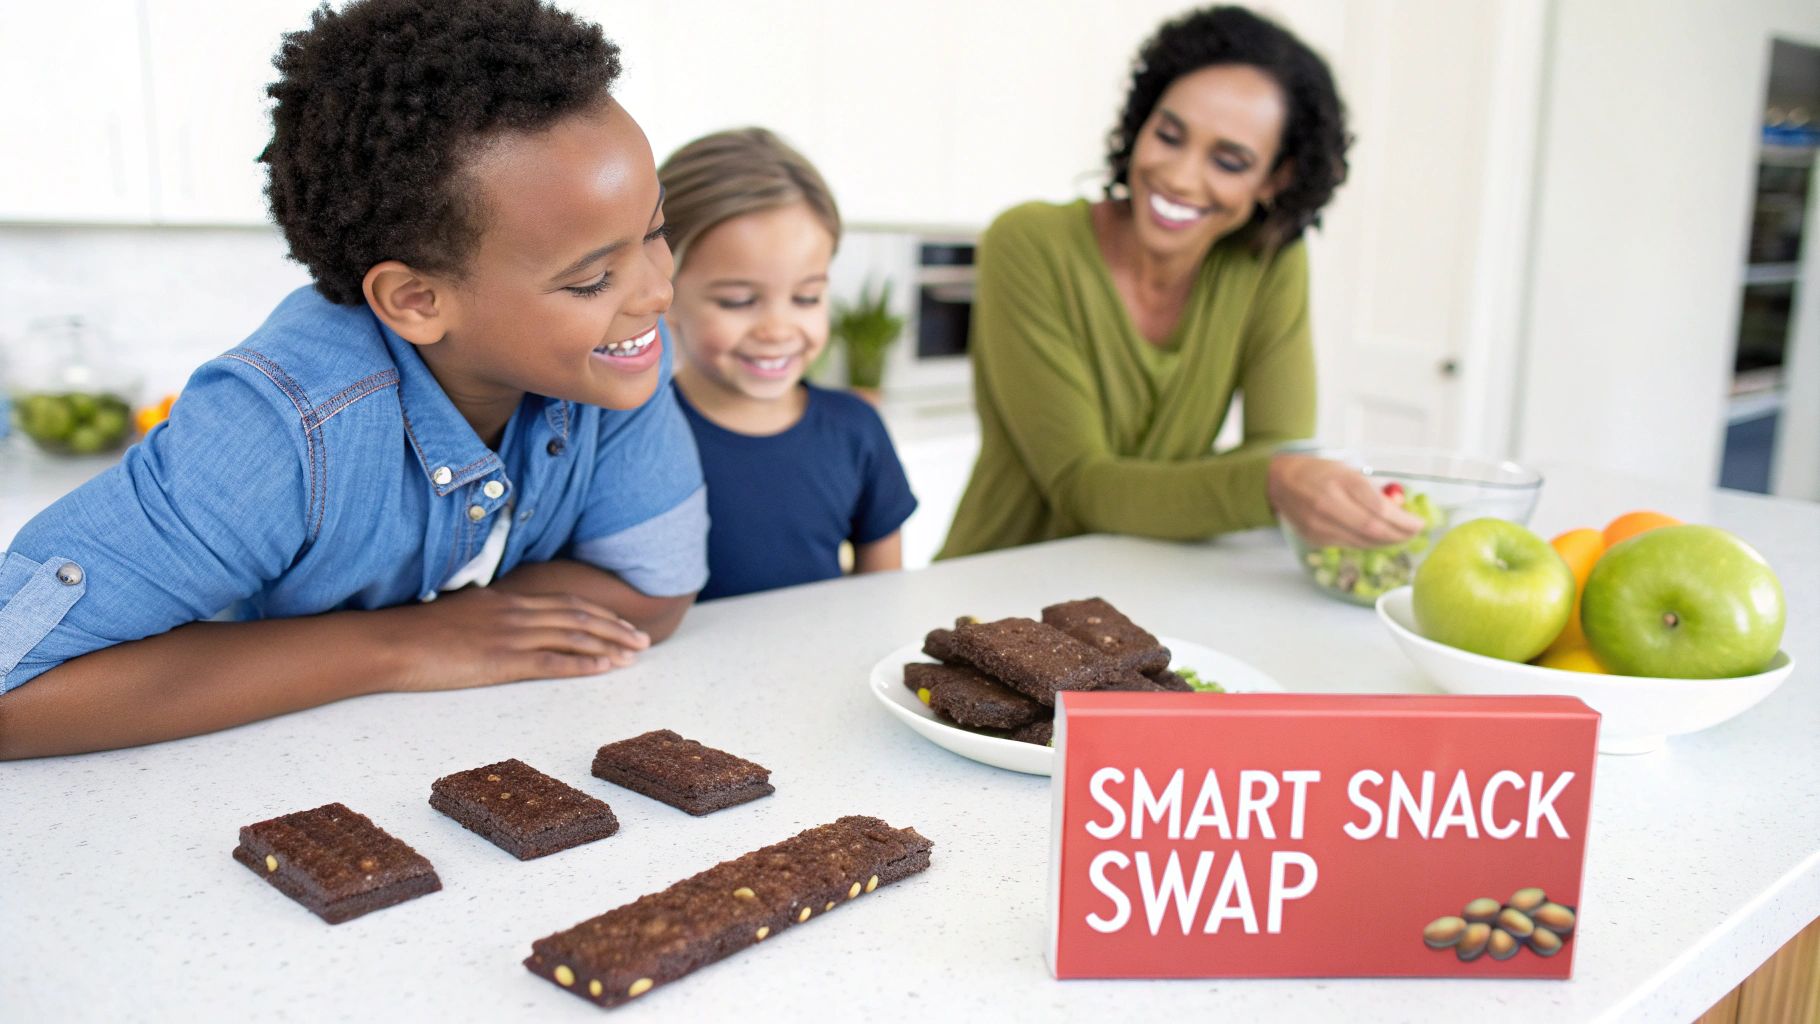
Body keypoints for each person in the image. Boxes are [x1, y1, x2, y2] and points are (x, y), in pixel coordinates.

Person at [0, 0, 707, 758]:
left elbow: (654, 593)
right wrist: (404, 644)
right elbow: (13, 693)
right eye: (593, 279)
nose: (657, 292)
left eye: (656, 231)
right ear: (417, 300)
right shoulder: (279, 431)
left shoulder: (613, 357)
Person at [937, 5, 1423, 560]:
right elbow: (1081, 486)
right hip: (995, 584)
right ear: (1142, 121)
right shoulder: (1029, 243)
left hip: (1156, 582)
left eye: (1229, 161)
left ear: (1277, 178)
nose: (1180, 177)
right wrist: (1270, 482)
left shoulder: (1269, 262)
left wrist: (1277, 474)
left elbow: (1280, 447)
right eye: (1169, 136)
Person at [658, 128, 916, 601]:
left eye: (807, 297)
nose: (778, 330)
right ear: (662, 289)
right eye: (738, 301)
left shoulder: (857, 430)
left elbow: (883, 600)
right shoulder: (629, 436)